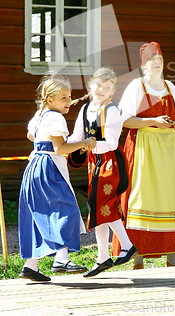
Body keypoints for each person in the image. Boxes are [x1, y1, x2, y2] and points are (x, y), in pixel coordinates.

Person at [112, 42, 175, 269]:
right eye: (152, 58)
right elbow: (124, 120)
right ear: (143, 64)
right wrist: (153, 121)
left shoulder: (170, 86)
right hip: (145, 145)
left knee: (171, 195)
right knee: (143, 196)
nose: (157, 61)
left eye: (159, 57)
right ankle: (138, 257)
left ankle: (173, 256)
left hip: (169, 147)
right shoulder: (137, 86)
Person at [19, 74, 96, 282]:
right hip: (49, 167)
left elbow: (31, 137)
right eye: (63, 97)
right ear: (50, 99)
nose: (68, 101)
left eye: (69, 96)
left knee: (39, 214)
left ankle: (30, 265)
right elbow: (59, 148)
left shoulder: (39, 116)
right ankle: (61, 259)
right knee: (66, 209)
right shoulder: (55, 117)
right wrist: (84, 143)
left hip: (34, 166)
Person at [68, 67, 137, 277]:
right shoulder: (85, 108)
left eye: (107, 87)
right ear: (91, 86)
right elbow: (76, 135)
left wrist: (88, 145)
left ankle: (126, 245)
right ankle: (102, 257)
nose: (101, 90)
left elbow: (112, 142)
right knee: (97, 208)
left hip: (110, 162)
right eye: (98, 85)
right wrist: (59, 145)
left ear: (112, 91)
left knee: (103, 205)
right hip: (94, 162)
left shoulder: (112, 110)